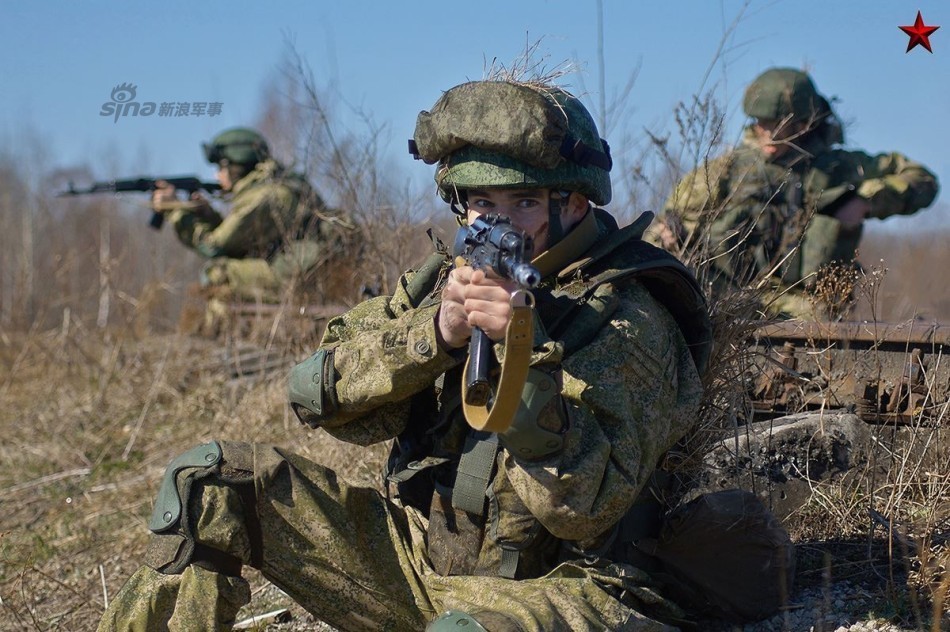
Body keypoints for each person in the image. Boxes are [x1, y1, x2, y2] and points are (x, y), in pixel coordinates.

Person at [98, 80, 713, 631]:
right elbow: (315, 394)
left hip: (571, 595)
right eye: (483, 206)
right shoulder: (448, 280)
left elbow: (584, 507)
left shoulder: (628, 318)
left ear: (575, 204)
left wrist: (520, 355)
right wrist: (435, 336)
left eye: (523, 204)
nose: (500, 226)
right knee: (209, 485)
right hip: (426, 567)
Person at [651, 67, 939, 318]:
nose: (770, 134)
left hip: (810, 313)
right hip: (728, 304)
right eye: (763, 124)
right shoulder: (723, 172)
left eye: (782, 125)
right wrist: (670, 239)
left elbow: (923, 180)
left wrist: (865, 201)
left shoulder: (837, 168)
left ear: (805, 124)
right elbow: (662, 235)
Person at [152, 127, 343, 309]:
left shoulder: (261, 197)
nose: (216, 175)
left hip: (296, 275)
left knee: (217, 273)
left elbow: (213, 247)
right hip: (301, 269)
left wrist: (175, 210)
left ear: (235, 166)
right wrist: (208, 216)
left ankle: (219, 336)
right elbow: (238, 242)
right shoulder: (274, 185)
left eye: (220, 167)